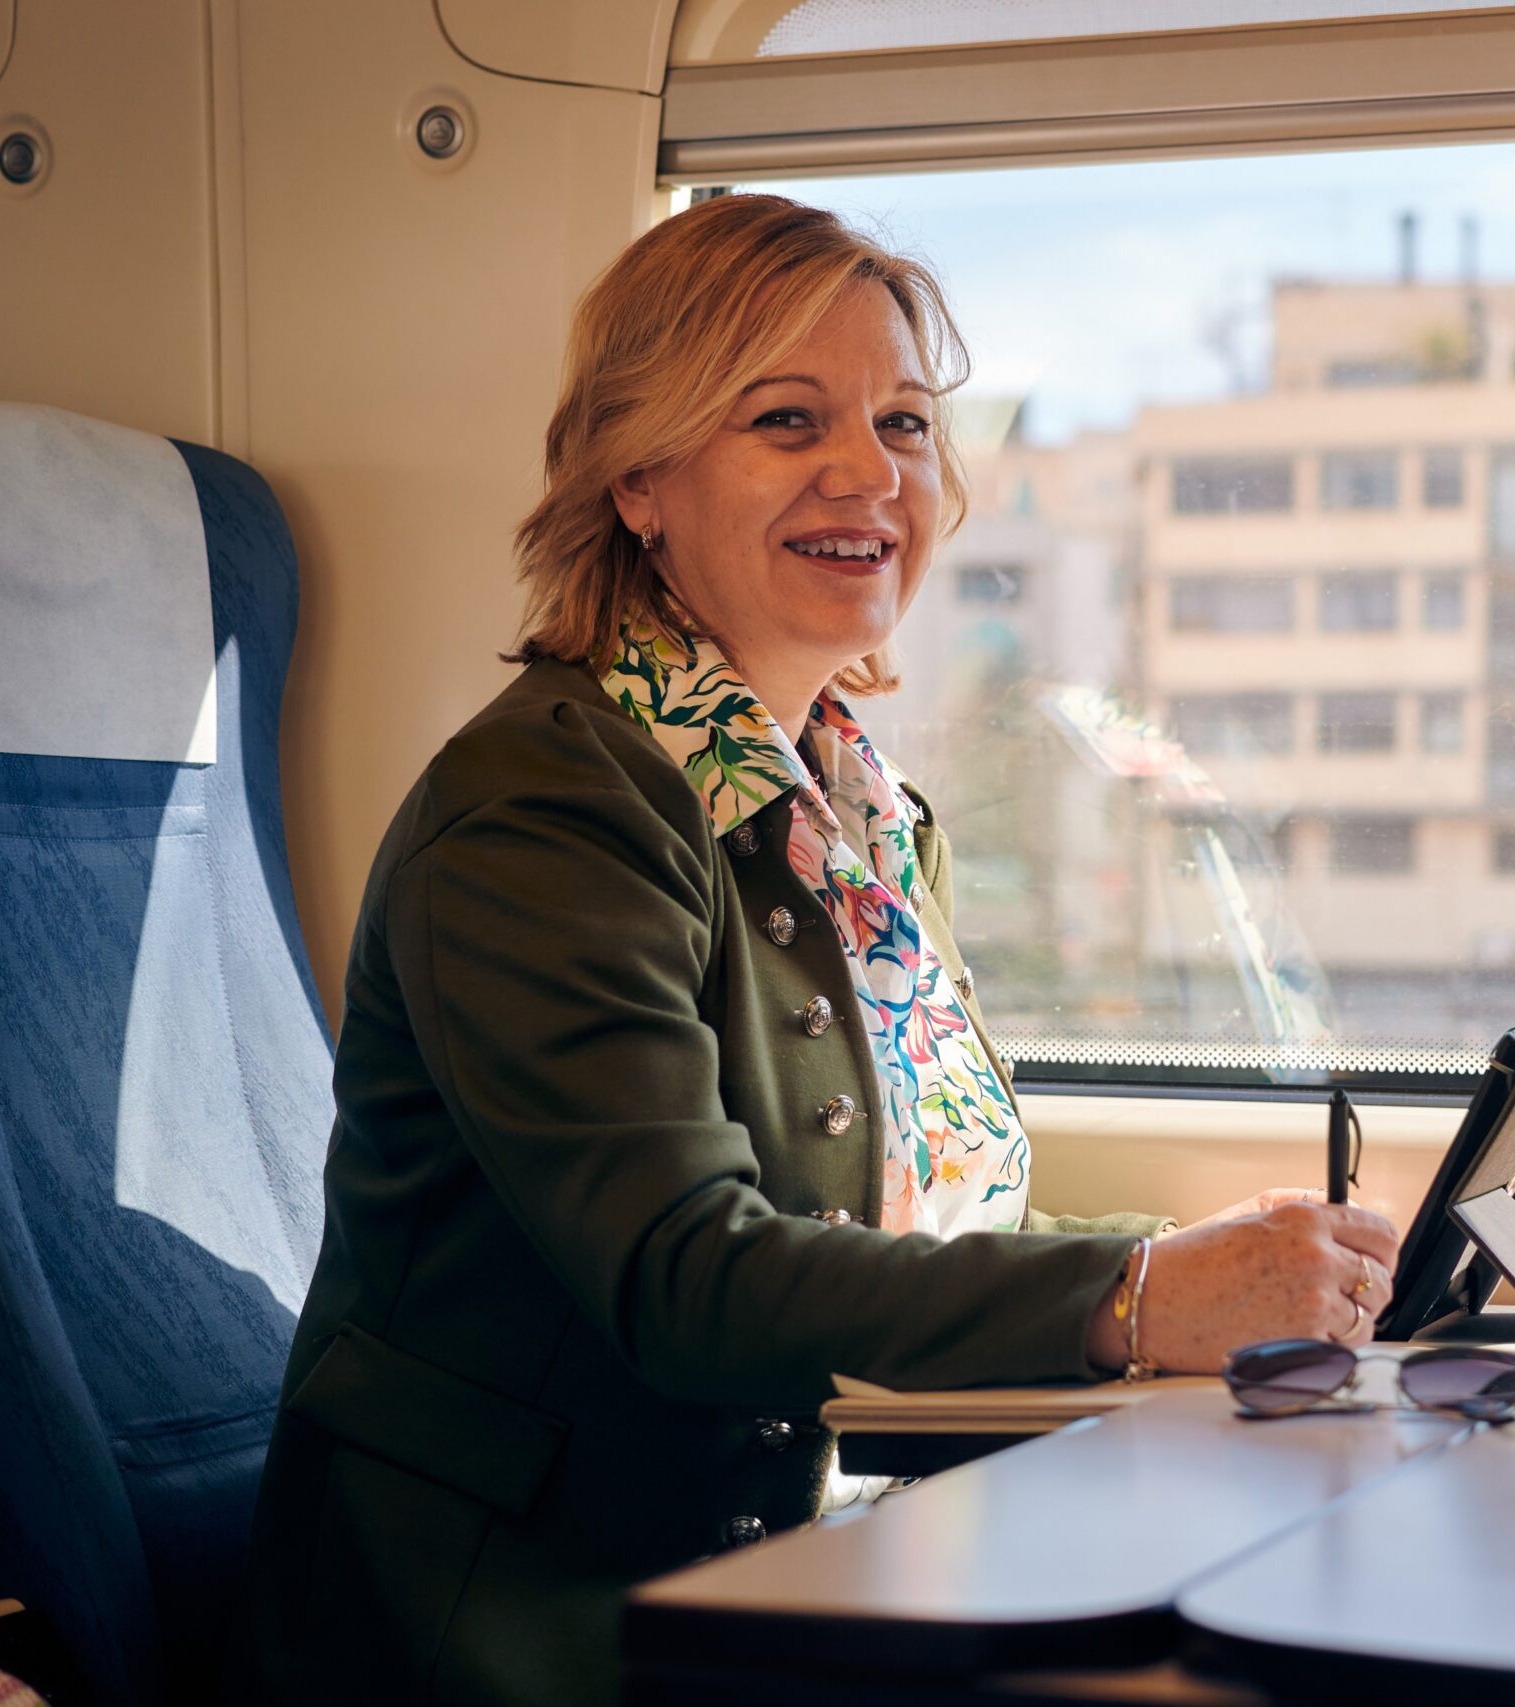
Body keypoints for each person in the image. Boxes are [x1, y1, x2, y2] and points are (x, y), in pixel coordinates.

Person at [231, 192, 1399, 1707]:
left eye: (905, 424)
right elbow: (687, 1278)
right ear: (638, 478)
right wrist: (1138, 1300)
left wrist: (1216, 1273)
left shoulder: (857, 813)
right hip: (524, 1621)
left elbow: (890, 1239)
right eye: (787, 420)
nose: (870, 472)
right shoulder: (543, 811)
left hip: (803, 1549)